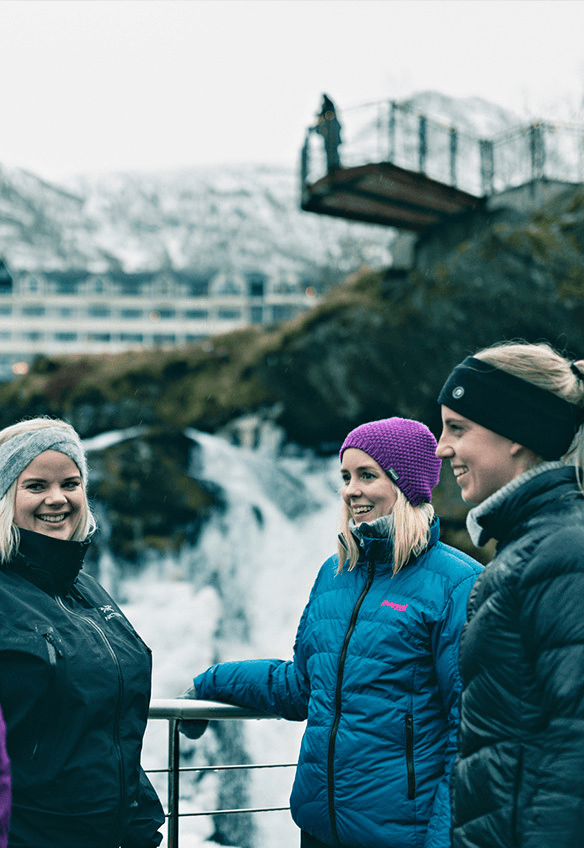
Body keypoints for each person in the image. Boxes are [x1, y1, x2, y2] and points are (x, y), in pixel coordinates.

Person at [180, 417, 482, 848]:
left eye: (366, 475)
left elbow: (467, 731)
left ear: (407, 484)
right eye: (345, 476)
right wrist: (212, 683)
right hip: (319, 829)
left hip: (401, 835)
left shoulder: (457, 584)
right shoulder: (335, 573)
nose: (350, 490)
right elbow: (304, 686)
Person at [435, 341, 584, 848]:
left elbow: (574, 745)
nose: (440, 447)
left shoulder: (561, 554)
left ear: (517, 433)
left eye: (458, 428)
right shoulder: (533, 547)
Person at [0, 417, 164, 848]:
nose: (57, 499)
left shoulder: (88, 590)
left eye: (70, 483)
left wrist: (143, 821)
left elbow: (112, 723)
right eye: (35, 486)